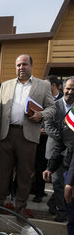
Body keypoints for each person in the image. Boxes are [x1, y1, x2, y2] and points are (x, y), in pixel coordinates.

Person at [0, 54, 56, 216]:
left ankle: (20, 209)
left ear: (31, 66)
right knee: (2, 174)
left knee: (24, 175)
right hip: (6, 134)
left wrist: (41, 115)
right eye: (18, 65)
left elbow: (52, 108)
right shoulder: (6, 85)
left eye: (25, 64)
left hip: (28, 136)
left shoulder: (42, 86)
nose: (21, 68)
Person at [43, 76, 74, 223]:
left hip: (71, 153)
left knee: (66, 181)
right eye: (68, 88)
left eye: (73, 89)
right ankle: (62, 212)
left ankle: (53, 202)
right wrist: (63, 138)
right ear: (62, 88)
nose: (70, 91)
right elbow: (48, 127)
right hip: (55, 150)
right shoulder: (53, 106)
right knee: (57, 182)